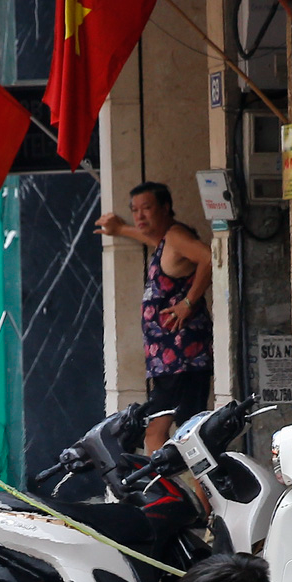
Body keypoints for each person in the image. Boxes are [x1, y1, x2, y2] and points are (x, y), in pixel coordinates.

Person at [96, 182, 213, 453]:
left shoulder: (175, 236)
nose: (140, 216)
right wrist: (121, 230)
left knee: (169, 431)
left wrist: (188, 302)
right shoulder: (166, 240)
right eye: (134, 210)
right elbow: (153, 240)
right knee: (183, 433)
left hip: (183, 357)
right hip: (169, 360)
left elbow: (209, 257)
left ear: (166, 208)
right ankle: (188, 493)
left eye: (146, 208)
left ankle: (172, 493)